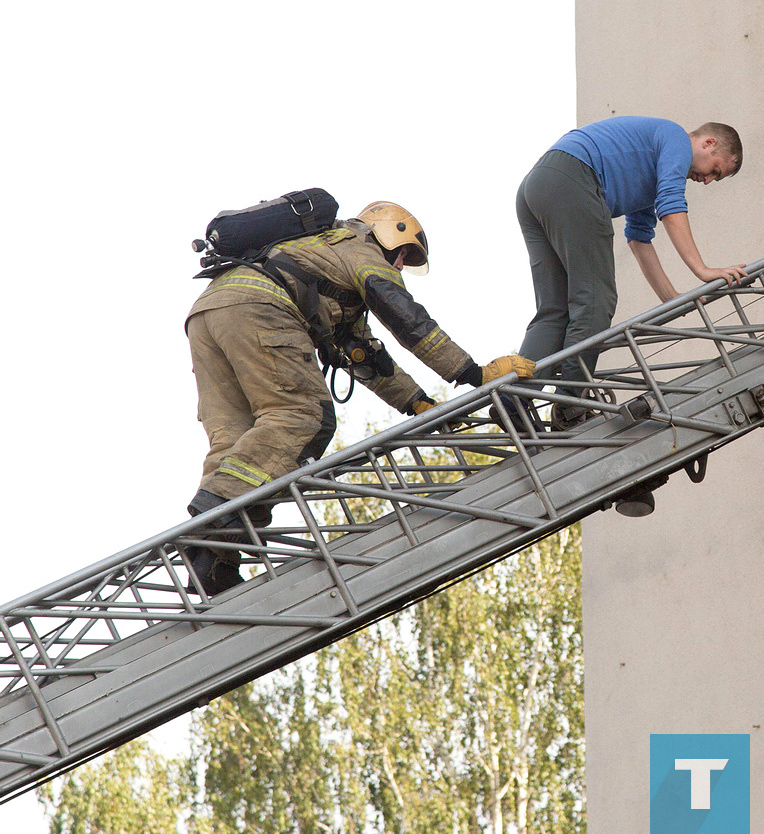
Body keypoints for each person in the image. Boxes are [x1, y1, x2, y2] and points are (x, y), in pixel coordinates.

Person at [185, 201, 535, 595]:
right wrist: (473, 374)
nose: (401, 266)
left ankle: (213, 560)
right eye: (404, 254)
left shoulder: (322, 258)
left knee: (239, 439)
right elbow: (406, 316)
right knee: (302, 416)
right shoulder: (360, 245)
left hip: (209, 311)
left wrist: (416, 402)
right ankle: (217, 509)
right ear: (388, 232)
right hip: (260, 307)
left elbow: (362, 353)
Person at [515, 116, 747, 429]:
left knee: (555, 311)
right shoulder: (676, 139)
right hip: (573, 178)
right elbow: (671, 204)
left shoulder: (649, 162)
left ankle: (513, 400)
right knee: (595, 303)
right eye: (714, 171)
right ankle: (571, 408)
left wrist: (672, 299)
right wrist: (702, 270)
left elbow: (639, 239)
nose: (706, 181)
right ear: (708, 143)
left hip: (538, 185)